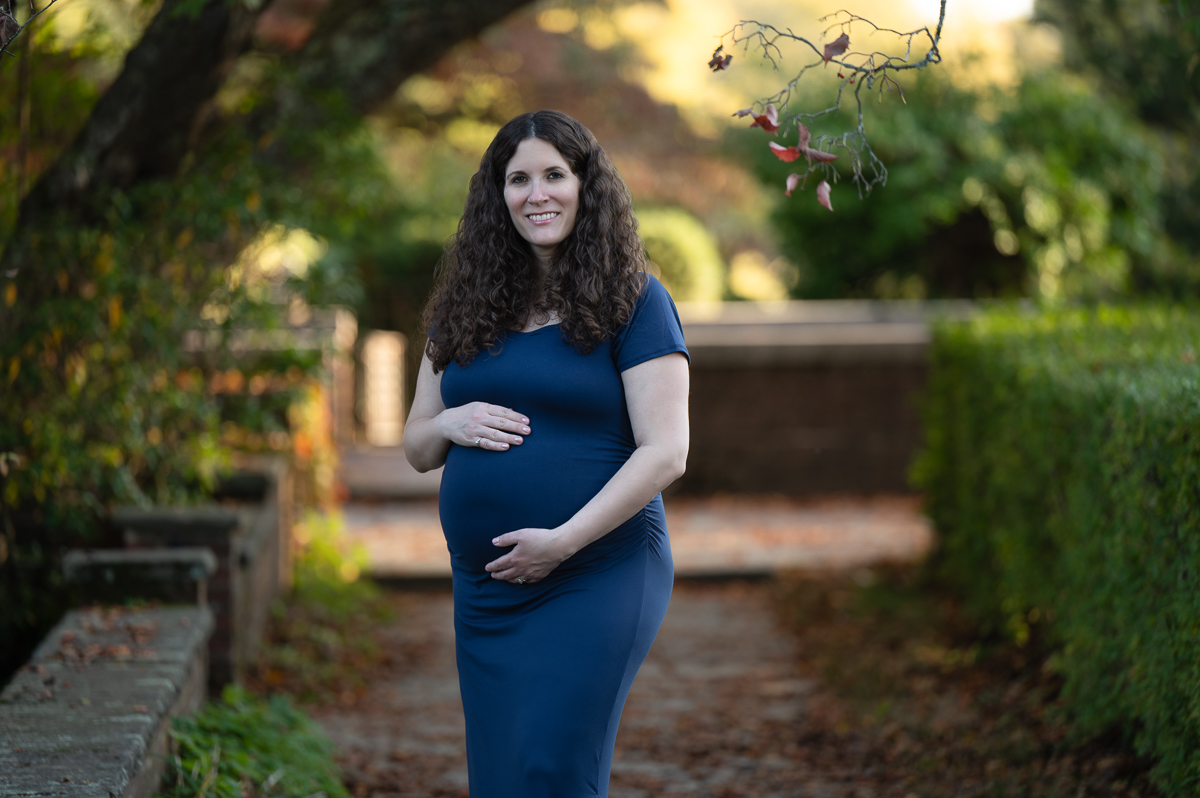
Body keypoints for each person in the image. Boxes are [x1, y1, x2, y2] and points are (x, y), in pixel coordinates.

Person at [403, 109, 690, 798]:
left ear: (586, 186)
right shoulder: (463, 306)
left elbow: (667, 452)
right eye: (518, 178)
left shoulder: (635, 301)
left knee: (554, 772)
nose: (538, 194)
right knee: (501, 781)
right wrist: (452, 421)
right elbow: (415, 444)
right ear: (495, 196)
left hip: (599, 568)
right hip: (487, 589)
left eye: (555, 175)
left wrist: (560, 543)